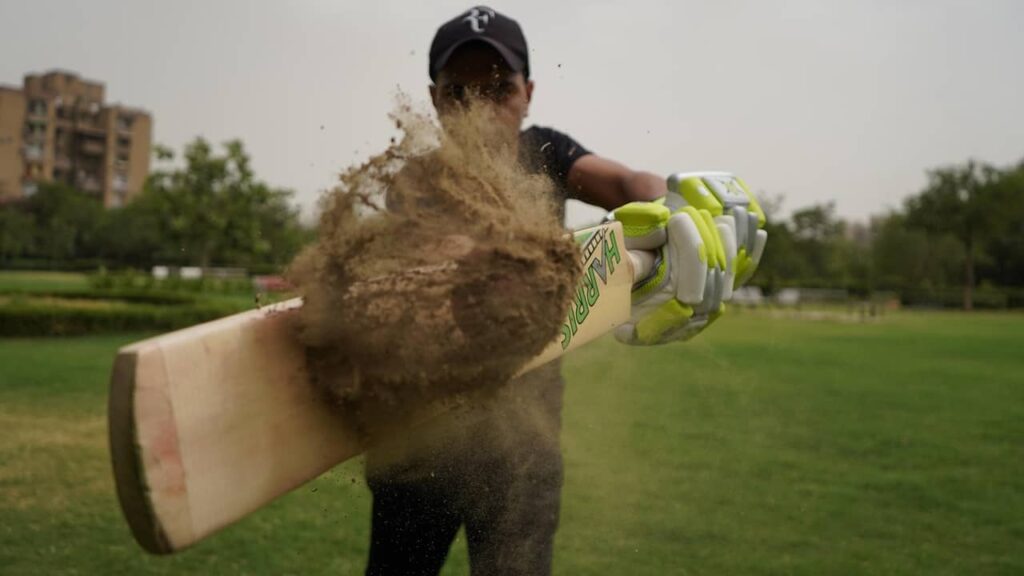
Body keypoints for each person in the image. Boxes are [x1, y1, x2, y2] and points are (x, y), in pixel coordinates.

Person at [363, 6, 764, 575]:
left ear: (528, 92)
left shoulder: (546, 151)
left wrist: (672, 208)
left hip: (523, 451)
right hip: (419, 444)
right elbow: (445, 258)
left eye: (499, 88)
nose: (480, 108)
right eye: (459, 92)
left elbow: (626, 183)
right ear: (433, 99)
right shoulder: (414, 180)